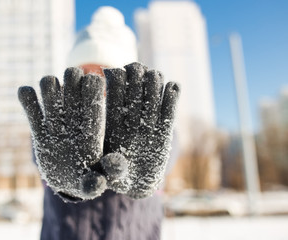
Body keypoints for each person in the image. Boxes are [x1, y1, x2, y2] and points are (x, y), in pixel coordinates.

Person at [19, 6, 179, 240]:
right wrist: (66, 185)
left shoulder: (153, 129)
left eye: (105, 73)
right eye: (85, 73)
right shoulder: (56, 129)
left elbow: (169, 153)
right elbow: (40, 154)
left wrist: (143, 182)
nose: (94, 83)